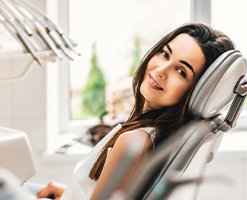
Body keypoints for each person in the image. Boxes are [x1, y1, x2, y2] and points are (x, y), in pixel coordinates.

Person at [34, 23, 235, 200]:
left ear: (196, 91)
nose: (161, 70)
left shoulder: (134, 142)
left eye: (181, 71)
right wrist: (69, 193)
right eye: (165, 54)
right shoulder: (156, 135)